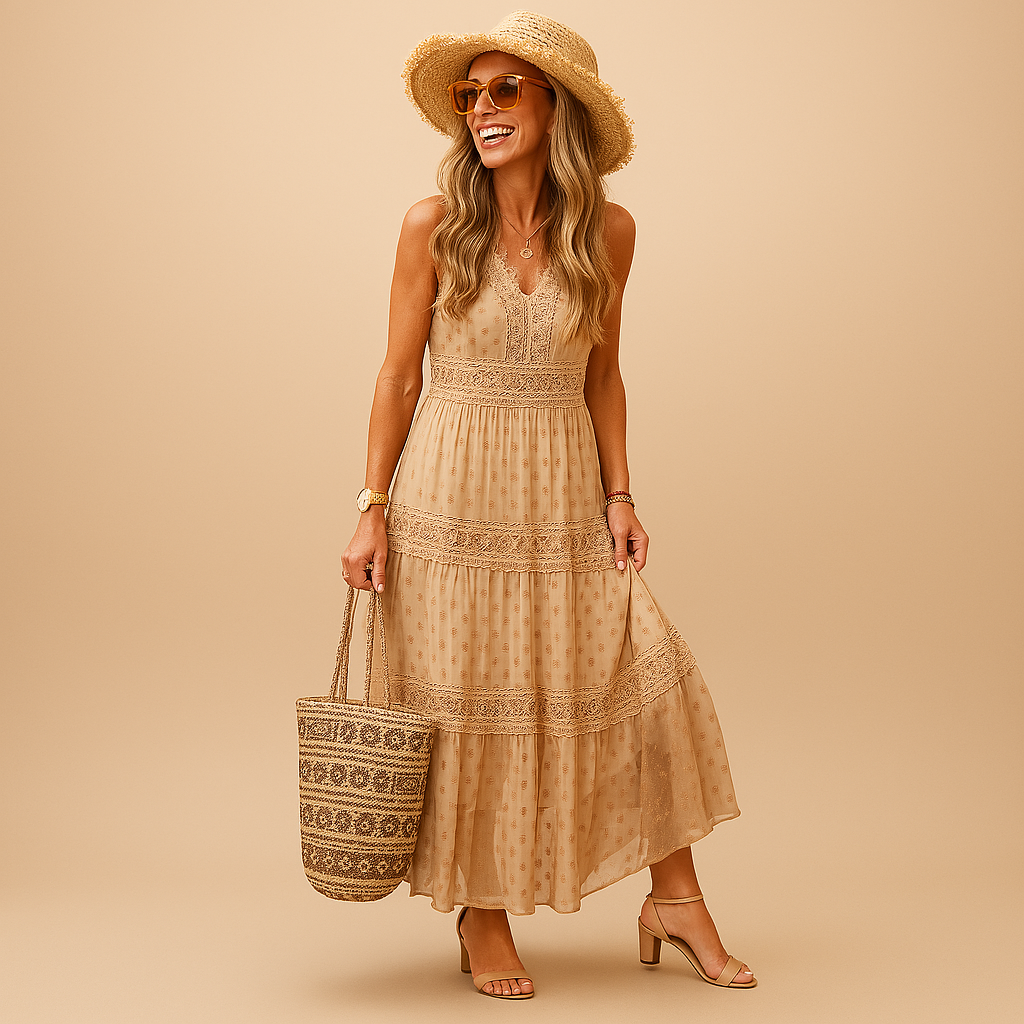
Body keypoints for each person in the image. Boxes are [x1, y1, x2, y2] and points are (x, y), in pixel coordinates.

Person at [342, 11, 755, 1000]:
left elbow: (604, 373)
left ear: (556, 105)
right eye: (469, 94)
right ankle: (481, 910)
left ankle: (676, 899)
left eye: (504, 90)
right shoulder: (433, 225)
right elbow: (398, 375)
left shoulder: (608, 230)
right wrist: (370, 504)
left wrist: (621, 493)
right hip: (449, 490)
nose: (481, 109)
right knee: (463, 698)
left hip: (561, 487)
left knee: (641, 677)